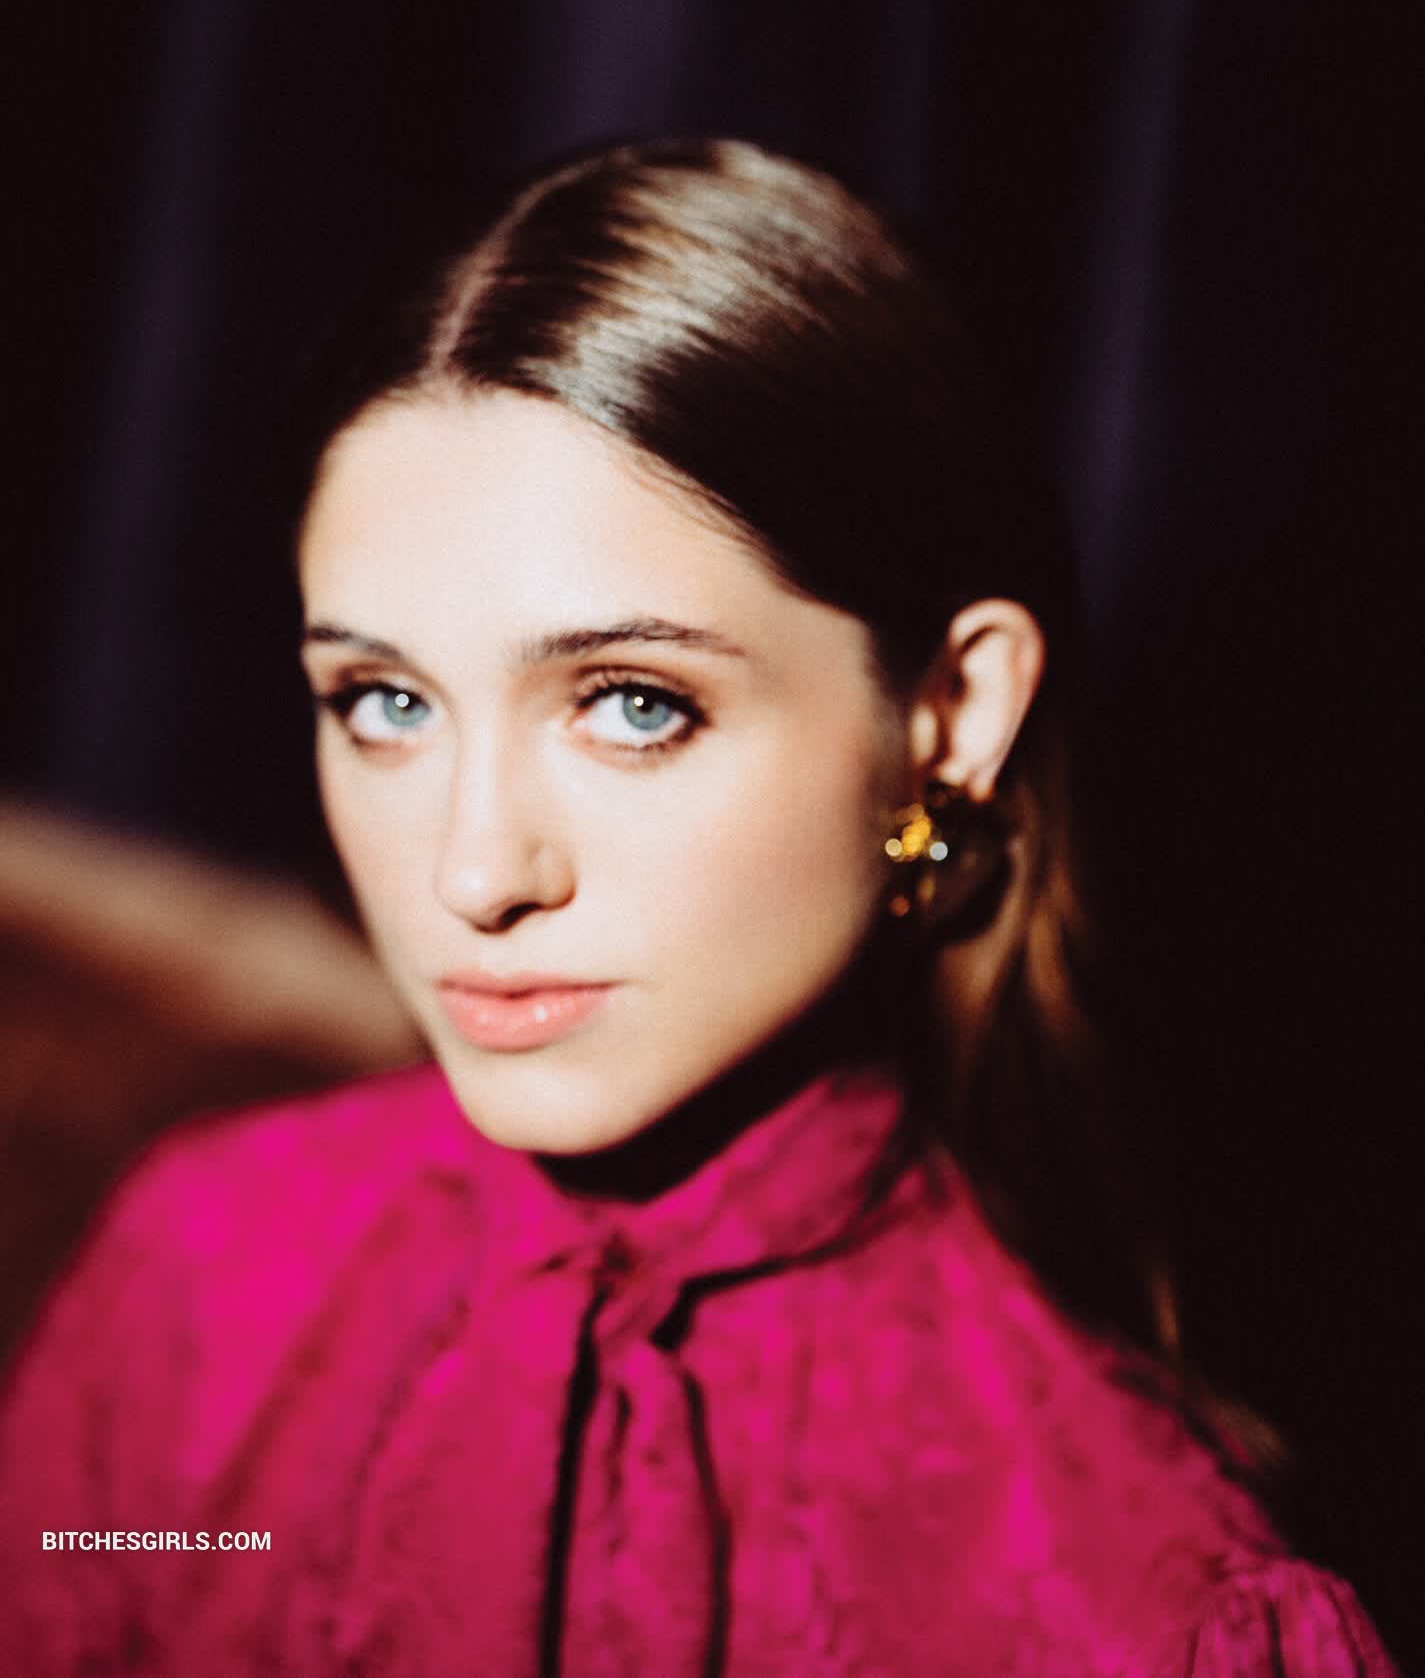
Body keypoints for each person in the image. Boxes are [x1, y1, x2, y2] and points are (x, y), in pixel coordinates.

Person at [0, 140, 1398, 1674]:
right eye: (386, 702)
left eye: (635, 705)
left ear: (950, 713)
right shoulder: (199, 1272)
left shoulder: (1142, 1608)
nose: (472, 874)